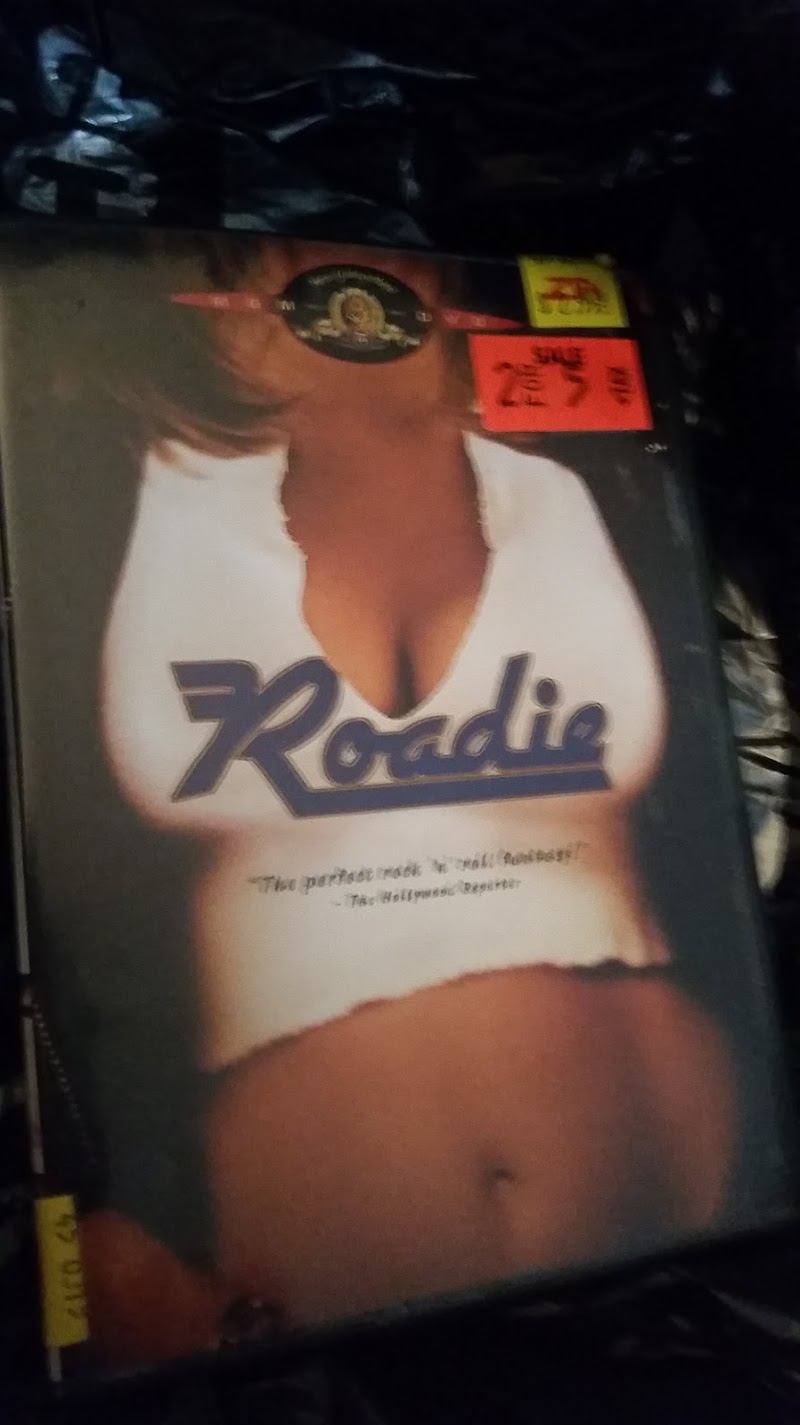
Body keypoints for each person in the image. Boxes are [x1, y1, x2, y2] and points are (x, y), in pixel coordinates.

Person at [85, 239, 736, 1360]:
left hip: (699, 1188)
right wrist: (98, 1234)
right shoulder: (107, 477)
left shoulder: (584, 469)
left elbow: (729, 800)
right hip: (333, 1293)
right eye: (274, 250)